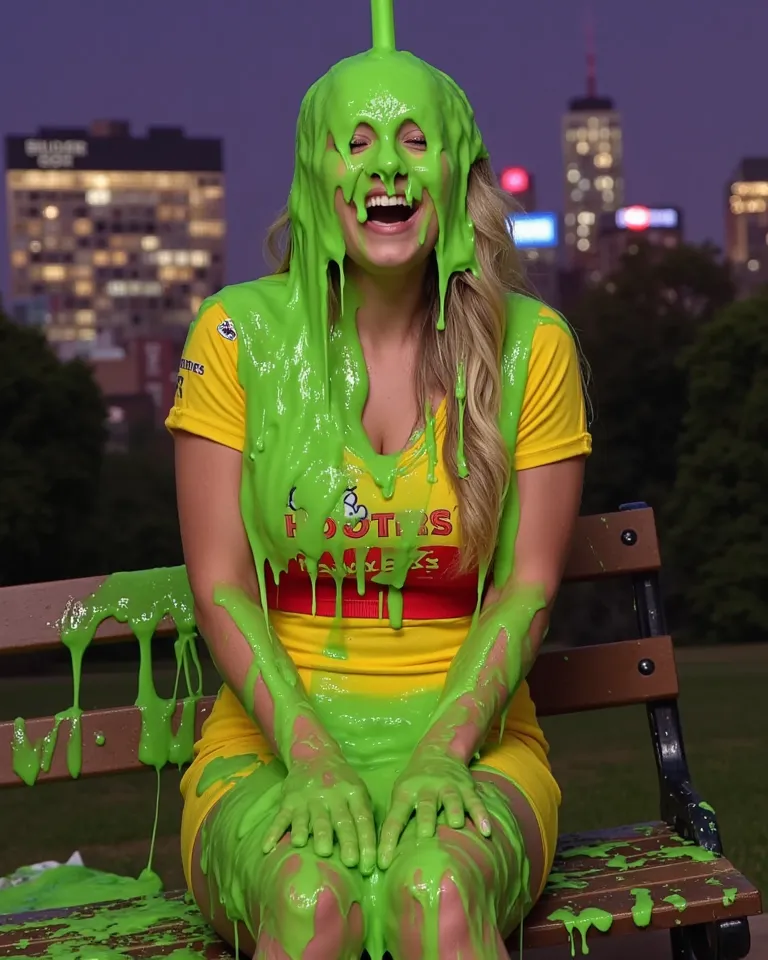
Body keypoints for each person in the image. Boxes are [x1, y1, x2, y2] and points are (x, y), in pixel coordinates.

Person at [166, 4, 590, 958]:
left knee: (436, 894)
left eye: (413, 141)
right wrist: (310, 757)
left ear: (456, 172)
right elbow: (220, 584)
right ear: (316, 172)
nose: (386, 168)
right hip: (269, 748)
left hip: (473, 748)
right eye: (354, 142)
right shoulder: (236, 337)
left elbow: (529, 584)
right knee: (309, 901)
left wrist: (445, 750)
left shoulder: (535, 349)